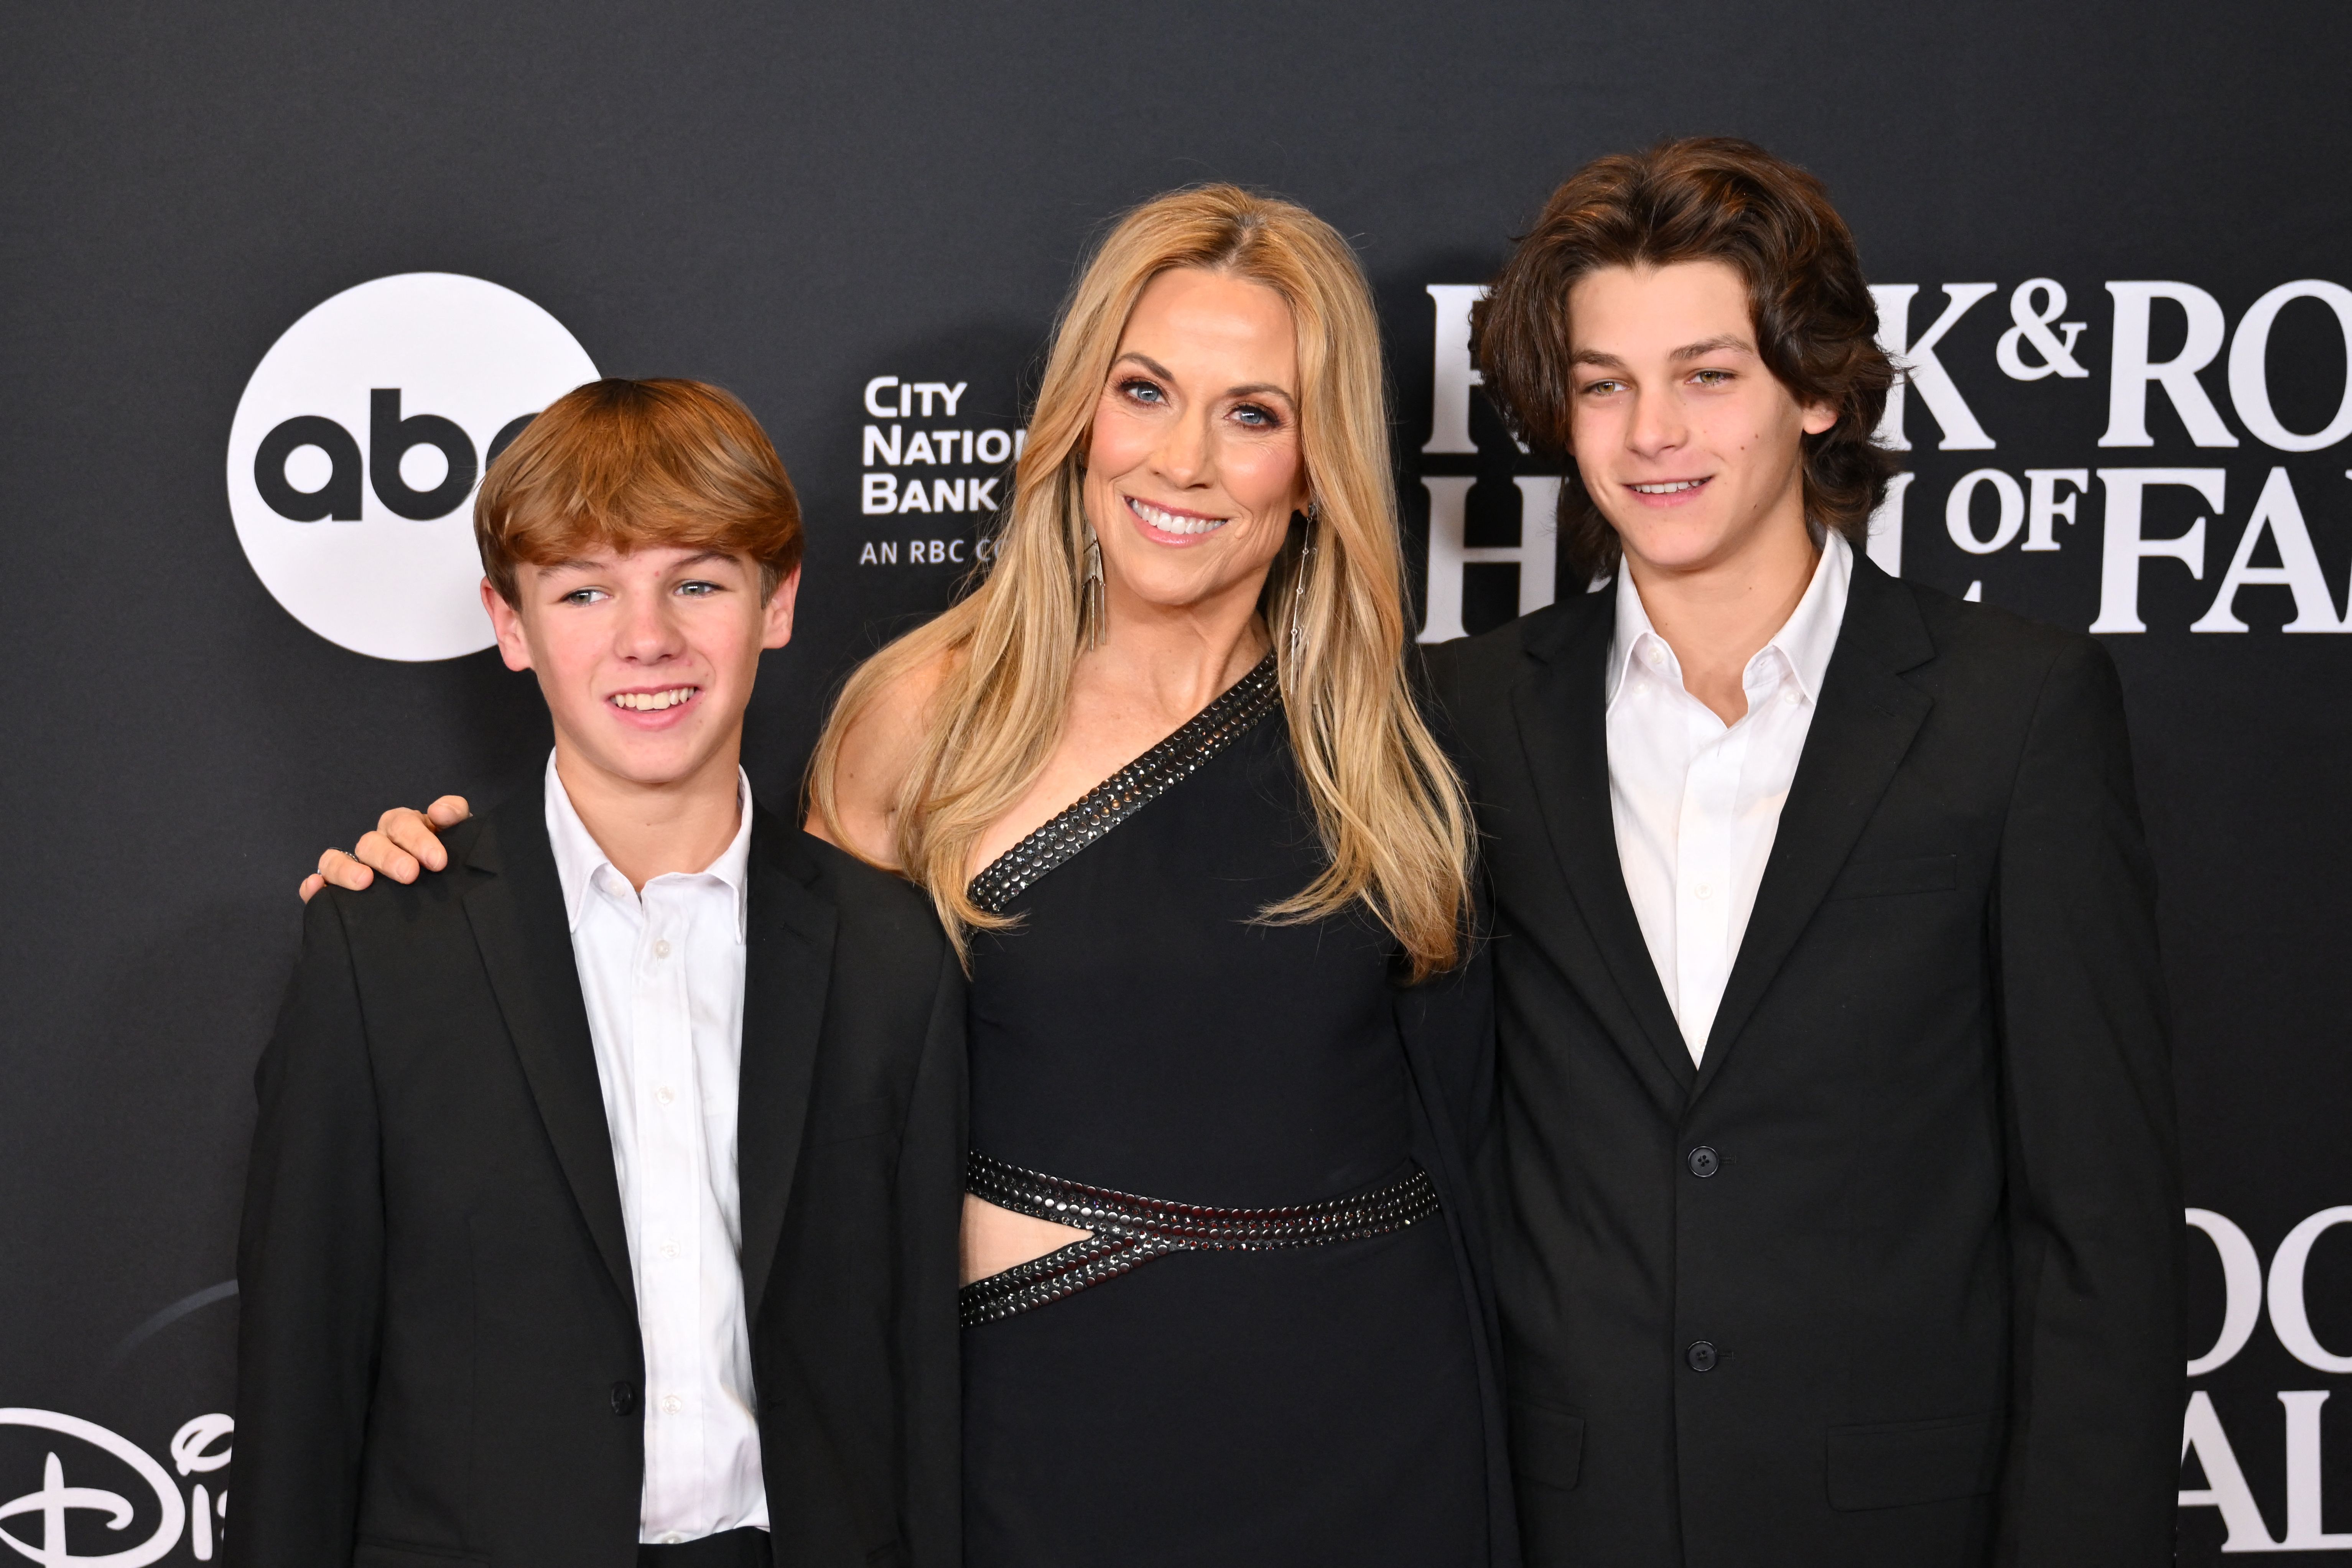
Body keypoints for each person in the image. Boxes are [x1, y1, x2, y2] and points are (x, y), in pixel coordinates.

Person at [317, 186, 1514, 1566]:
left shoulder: (1404, 739)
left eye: (1255, 413)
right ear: (1079, 416)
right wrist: (446, 893)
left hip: (1376, 1426)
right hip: (1041, 1436)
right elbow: (782, 1113)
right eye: (1145, 390)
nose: (1183, 458)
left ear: (1315, 467)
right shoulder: (926, 716)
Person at [1425, 138, 2184, 1566]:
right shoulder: (1467, 715)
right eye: (1606, 383)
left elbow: (2103, 1233)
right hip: (1564, 1518)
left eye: (1709, 375)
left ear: (1818, 385)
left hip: (1903, 1525)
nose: (1654, 431)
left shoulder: (2013, 710)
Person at [238, 380, 964, 1568]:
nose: (648, 638)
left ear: (778, 602)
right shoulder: (383, 948)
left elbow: (921, 1370)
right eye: (585, 589)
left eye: (699, 580)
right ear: (510, 625)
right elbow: (298, 1377)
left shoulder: (890, 957)